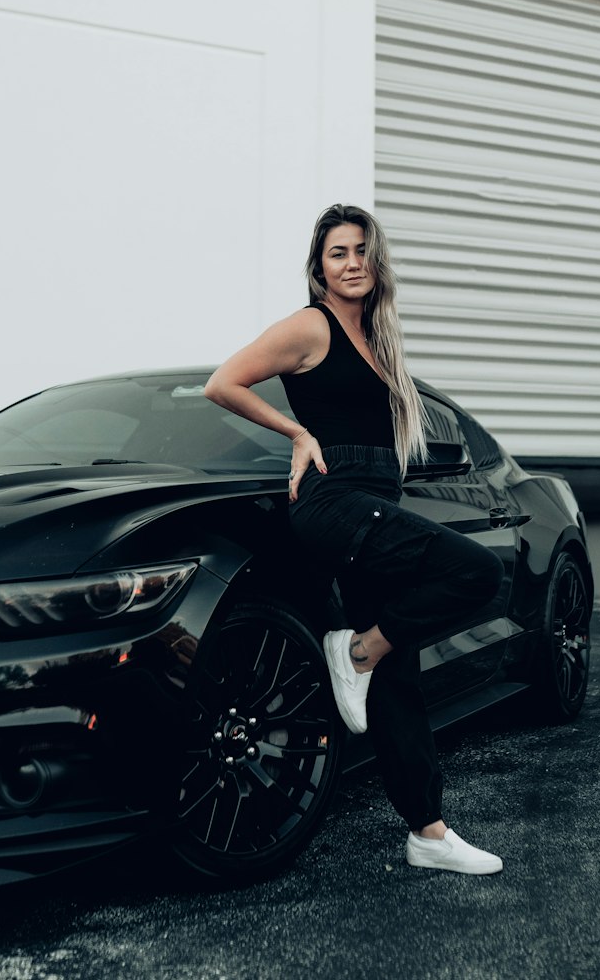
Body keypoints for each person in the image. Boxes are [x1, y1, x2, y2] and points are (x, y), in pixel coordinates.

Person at [205, 203, 505, 874]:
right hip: (334, 503)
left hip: (372, 504)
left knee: (400, 679)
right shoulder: (310, 327)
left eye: (363, 251)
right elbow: (222, 383)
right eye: (339, 252)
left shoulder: (379, 339)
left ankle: (428, 834)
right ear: (318, 269)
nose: (354, 262)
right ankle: (356, 651)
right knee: (477, 574)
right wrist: (298, 434)